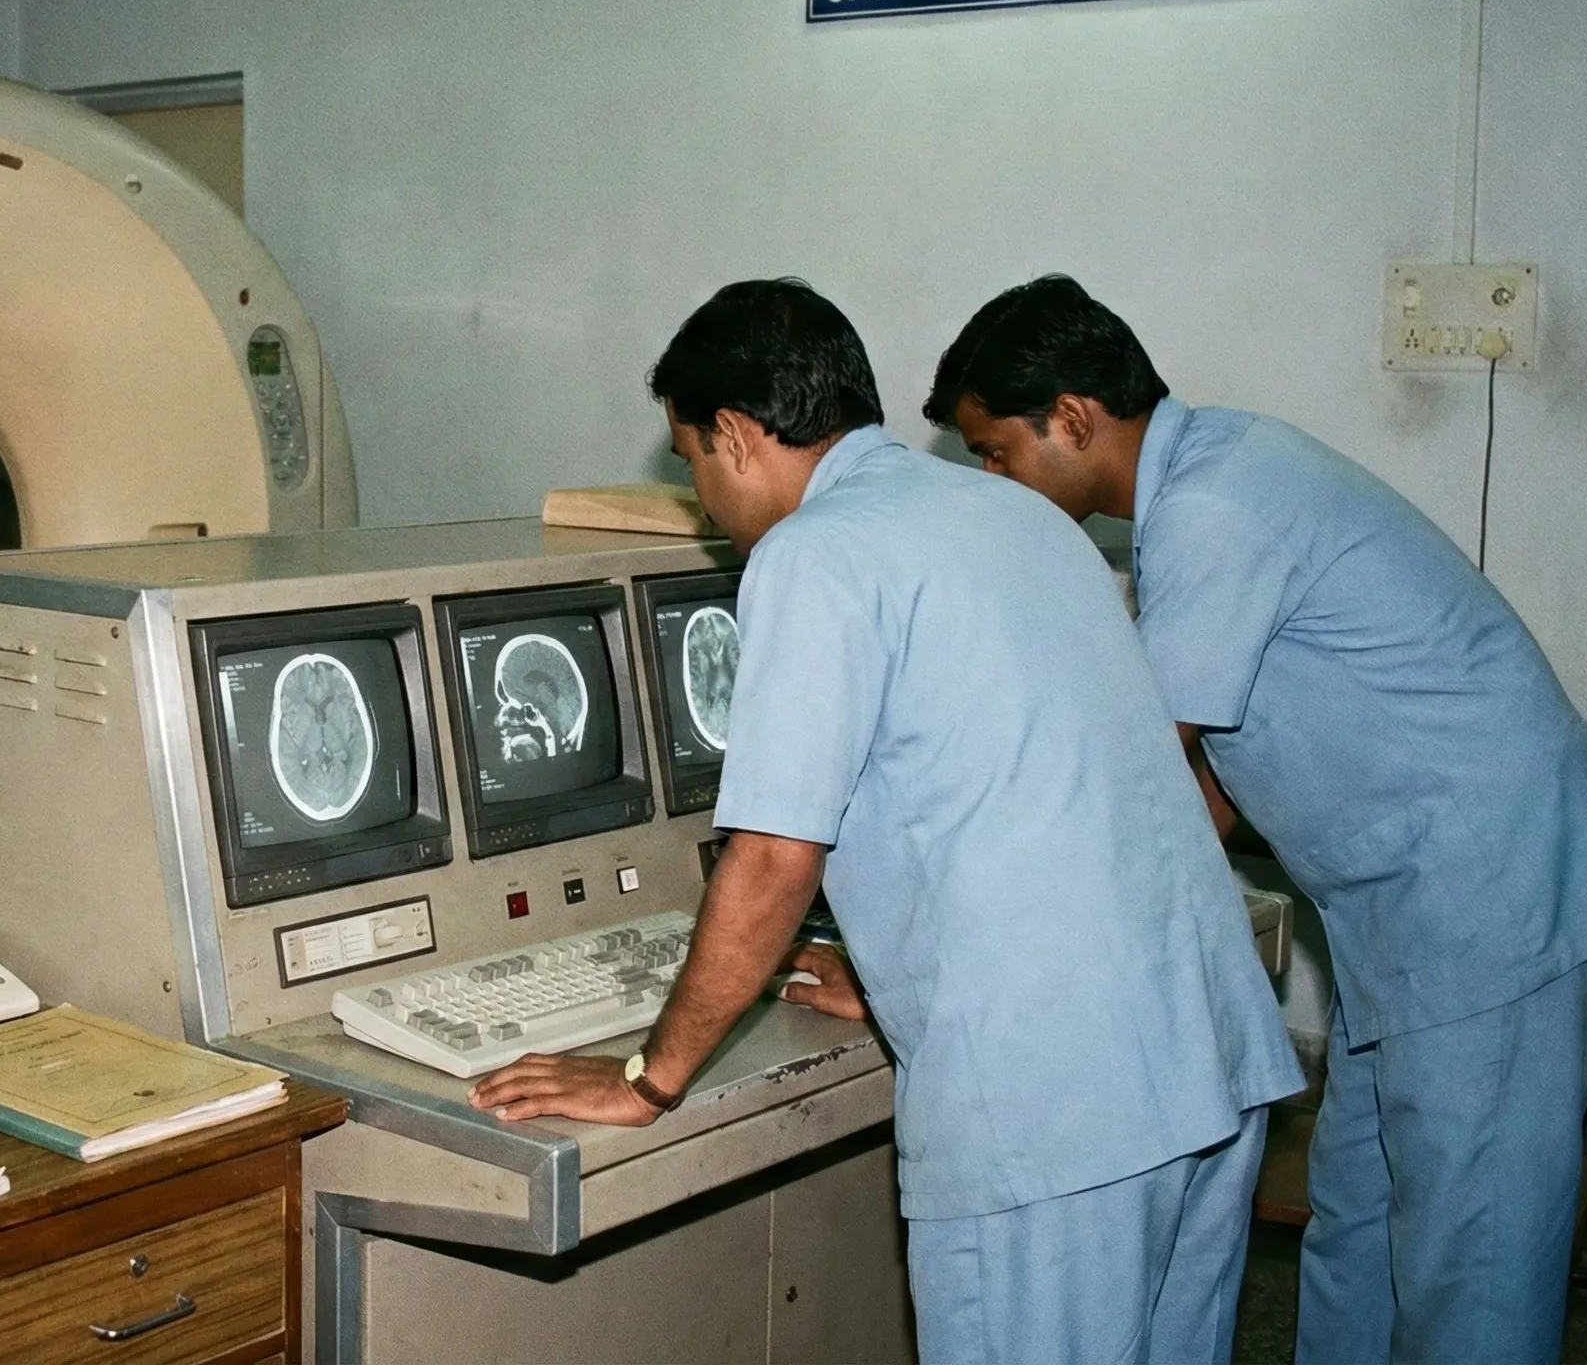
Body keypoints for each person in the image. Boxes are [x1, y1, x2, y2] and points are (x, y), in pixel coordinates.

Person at [469, 278, 1300, 1363]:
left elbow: (773, 856)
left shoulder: (815, 554)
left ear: (734, 434)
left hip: (1056, 1113)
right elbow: (1044, 788)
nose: (701, 500)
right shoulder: (1018, 515)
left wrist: (649, 1076)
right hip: (1206, 1055)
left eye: (690, 462)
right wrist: (901, 973)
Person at [925, 274, 1587, 1365]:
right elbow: (1203, 785)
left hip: (1494, 911)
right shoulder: (1210, 481)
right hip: (1410, 917)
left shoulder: (1213, 511)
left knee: (1469, 1267)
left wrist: (946, 935)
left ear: (1073, 419)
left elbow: (1126, 774)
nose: (992, 483)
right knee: (1358, 1226)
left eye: (994, 453)